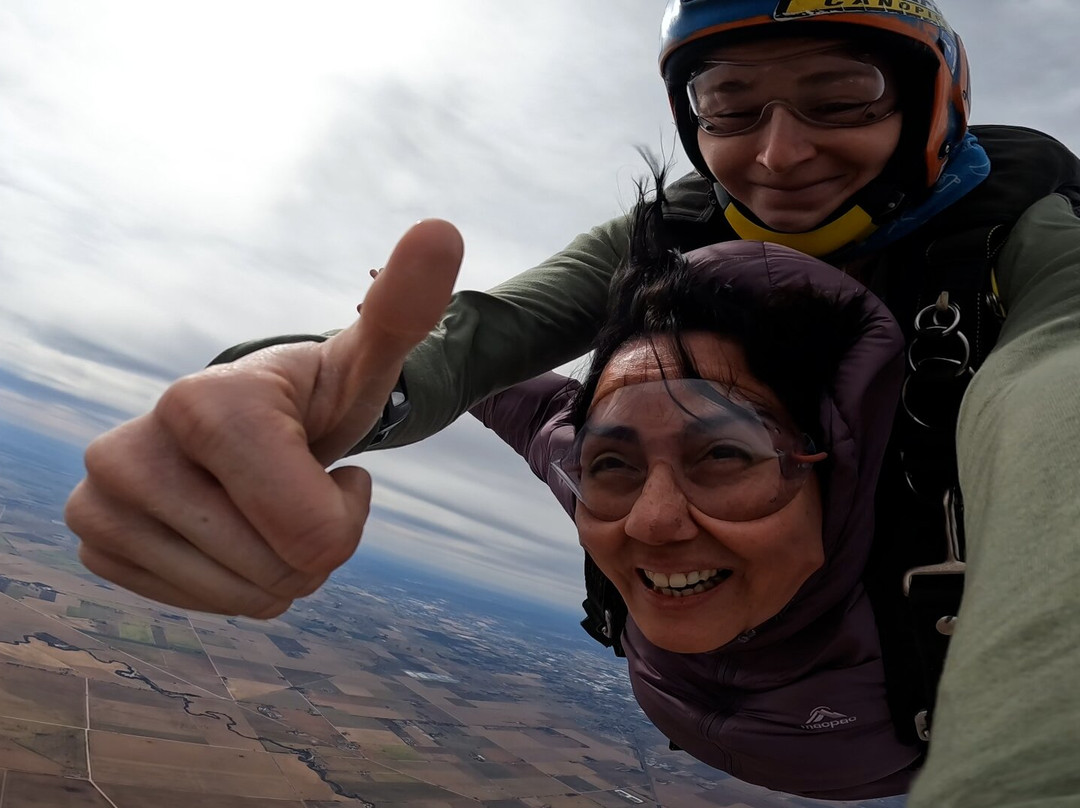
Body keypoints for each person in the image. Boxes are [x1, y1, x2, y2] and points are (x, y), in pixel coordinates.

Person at [65, 2, 1080, 806]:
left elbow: (1055, 395)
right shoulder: (675, 236)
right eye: (729, 108)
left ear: (933, 102)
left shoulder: (1026, 238)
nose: (776, 155)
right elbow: (482, 347)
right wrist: (286, 396)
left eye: (840, 98)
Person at [471, 178, 920, 798]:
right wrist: (405, 351)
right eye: (611, 460)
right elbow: (521, 404)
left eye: (724, 454)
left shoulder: (979, 569)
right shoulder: (596, 490)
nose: (649, 522)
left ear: (832, 464)